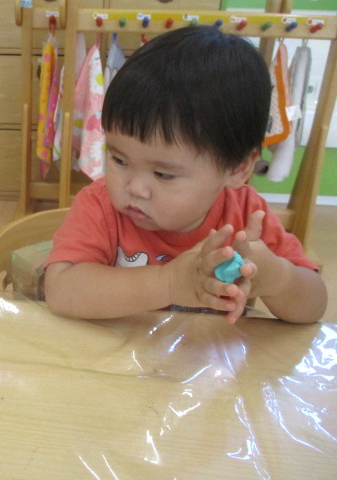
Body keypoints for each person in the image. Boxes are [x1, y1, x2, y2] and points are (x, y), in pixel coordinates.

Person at [44, 26, 327, 324]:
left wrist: (278, 278)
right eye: (118, 159)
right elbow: (61, 290)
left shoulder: (246, 216)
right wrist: (168, 283)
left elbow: (314, 306)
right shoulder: (100, 206)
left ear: (237, 168)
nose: (135, 187)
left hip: (208, 352)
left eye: (162, 174)